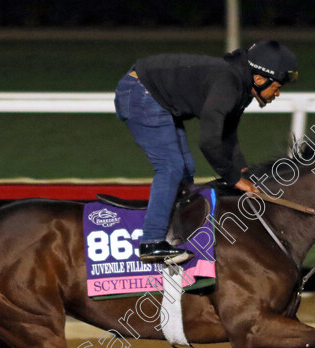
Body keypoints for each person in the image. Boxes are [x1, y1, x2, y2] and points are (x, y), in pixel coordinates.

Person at [114, 40, 298, 264]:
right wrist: (234, 179)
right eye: (276, 88)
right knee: (171, 167)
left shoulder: (242, 85)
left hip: (155, 95)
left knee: (185, 170)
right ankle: (152, 243)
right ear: (260, 79)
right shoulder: (229, 84)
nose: (276, 94)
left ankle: (176, 233)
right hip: (140, 93)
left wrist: (243, 172)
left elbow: (227, 134)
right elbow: (209, 141)